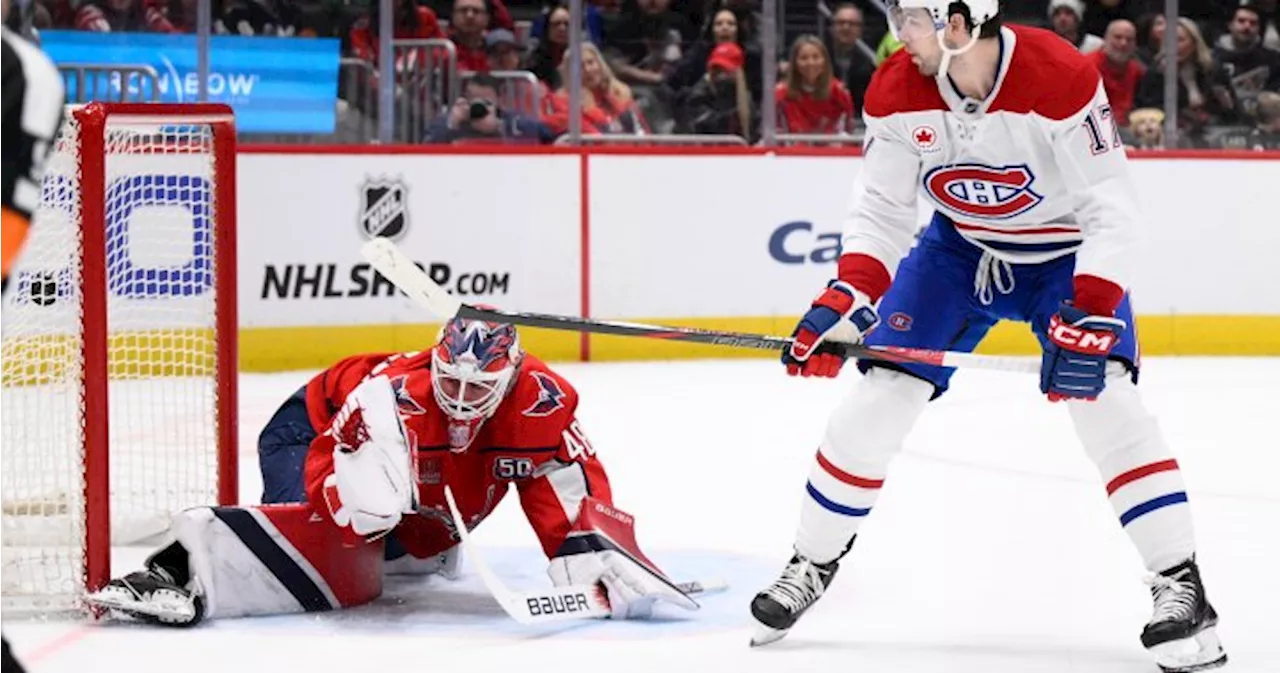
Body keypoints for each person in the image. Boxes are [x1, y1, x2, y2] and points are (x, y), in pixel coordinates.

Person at [748, 3, 1227, 673]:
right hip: (957, 251)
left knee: (1106, 401)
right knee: (877, 401)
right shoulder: (894, 87)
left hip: (1064, 257)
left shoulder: (1058, 75)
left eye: (908, 20)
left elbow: (1110, 207)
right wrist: (849, 294)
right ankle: (811, 561)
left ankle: (1182, 585)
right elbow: (883, 211)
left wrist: (1090, 308)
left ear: (957, 23)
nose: (897, 35)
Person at [85, 316, 696, 626]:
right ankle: (174, 573)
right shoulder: (393, 399)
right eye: (449, 379)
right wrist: (350, 512)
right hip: (313, 429)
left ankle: (401, 538)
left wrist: (598, 556)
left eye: (477, 385)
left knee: (412, 544)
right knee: (337, 539)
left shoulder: (538, 400)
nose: (460, 397)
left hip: (417, 464)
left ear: (508, 378)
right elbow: (329, 469)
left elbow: (566, 491)